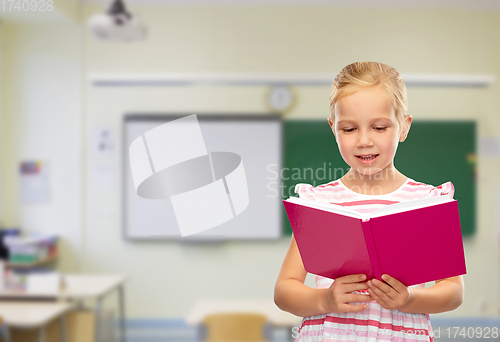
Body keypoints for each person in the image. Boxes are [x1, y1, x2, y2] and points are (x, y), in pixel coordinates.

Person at [274, 61, 464, 342]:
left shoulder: (427, 202)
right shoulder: (320, 201)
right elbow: (284, 291)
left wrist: (409, 299)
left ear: (403, 127)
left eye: (379, 127)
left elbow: (453, 291)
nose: (364, 140)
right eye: (349, 129)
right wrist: (325, 299)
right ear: (333, 128)